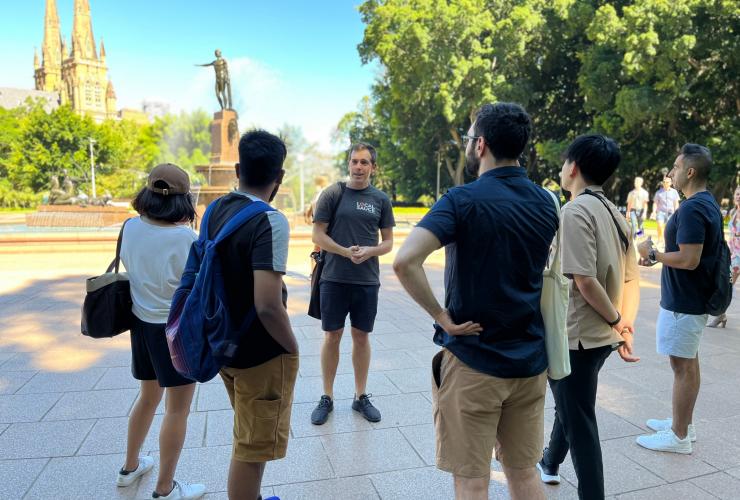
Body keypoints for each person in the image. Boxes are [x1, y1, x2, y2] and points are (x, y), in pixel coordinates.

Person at [393, 102, 557, 500]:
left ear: (480, 144)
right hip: (531, 362)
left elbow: (404, 261)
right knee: (524, 473)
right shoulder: (548, 203)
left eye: (469, 138)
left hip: (474, 362)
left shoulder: (461, 200)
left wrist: (440, 316)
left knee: (471, 479)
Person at [537, 135, 641, 500]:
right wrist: (624, 326)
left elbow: (583, 281)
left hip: (577, 336)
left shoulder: (575, 211)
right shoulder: (615, 213)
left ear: (573, 167)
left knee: (579, 422)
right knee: (572, 405)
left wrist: (616, 322)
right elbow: (631, 280)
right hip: (600, 338)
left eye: (565, 162)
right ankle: (549, 462)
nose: (563, 168)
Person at [206, 130, 299, 499]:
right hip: (260, 351)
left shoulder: (214, 210)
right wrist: (291, 347)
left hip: (223, 341)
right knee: (251, 449)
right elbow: (267, 304)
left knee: (247, 429)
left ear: (237, 168)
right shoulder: (269, 221)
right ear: (280, 177)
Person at [118, 163, 206, 500]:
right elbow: (199, 287)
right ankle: (165, 487)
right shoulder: (185, 237)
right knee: (177, 409)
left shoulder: (129, 227)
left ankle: (129, 468)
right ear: (183, 199)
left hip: (141, 325)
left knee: (148, 396)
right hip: (175, 332)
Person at [636, 144, 723, 454]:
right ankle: (683, 422)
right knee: (688, 363)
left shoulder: (692, 208)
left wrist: (654, 253)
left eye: (674, 168)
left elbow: (689, 259)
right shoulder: (705, 203)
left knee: (682, 366)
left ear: (689, 171)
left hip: (685, 300)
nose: (669, 173)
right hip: (692, 298)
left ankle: (679, 435)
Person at [310, 143, 395, 425]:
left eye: (364, 162)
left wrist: (369, 251)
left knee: (361, 337)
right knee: (332, 336)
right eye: (354, 161)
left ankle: (360, 397)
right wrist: (345, 252)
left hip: (367, 281)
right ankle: (327, 397)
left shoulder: (381, 199)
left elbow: (388, 243)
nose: (358, 167)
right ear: (348, 164)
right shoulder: (334, 194)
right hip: (333, 278)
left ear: (373, 167)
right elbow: (318, 236)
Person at [708, 185, 740, 328]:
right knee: (725, 285)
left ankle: (720, 316)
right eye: (737, 194)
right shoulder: (733, 212)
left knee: (726, 286)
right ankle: (721, 315)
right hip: (733, 256)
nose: (738, 196)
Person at [651, 176, 681, 247]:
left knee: (669, 228)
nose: (665, 183)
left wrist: (676, 212)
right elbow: (655, 203)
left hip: (671, 212)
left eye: (667, 182)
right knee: (659, 225)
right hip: (661, 212)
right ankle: (659, 239)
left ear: (670, 183)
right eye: (664, 182)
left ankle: (666, 241)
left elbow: (676, 202)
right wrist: (654, 212)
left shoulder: (674, 192)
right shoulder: (659, 192)